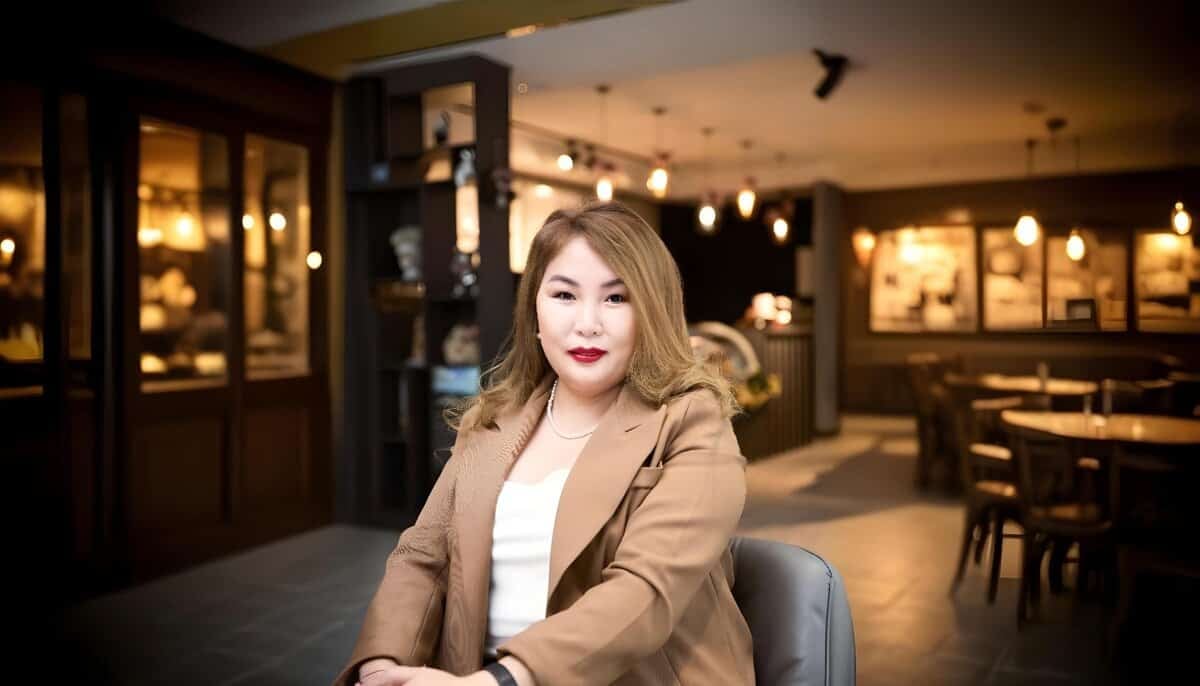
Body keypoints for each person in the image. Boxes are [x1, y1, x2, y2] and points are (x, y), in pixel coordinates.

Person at [336, 201, 755, 686]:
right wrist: (382, 666)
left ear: (653, 311)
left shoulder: (693, 421)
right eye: (564, 295)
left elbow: (645, 591)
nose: (587, 323)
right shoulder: (493, 419)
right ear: (534, 306)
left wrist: (502, 681)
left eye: (617, 299)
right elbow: (421, 559)